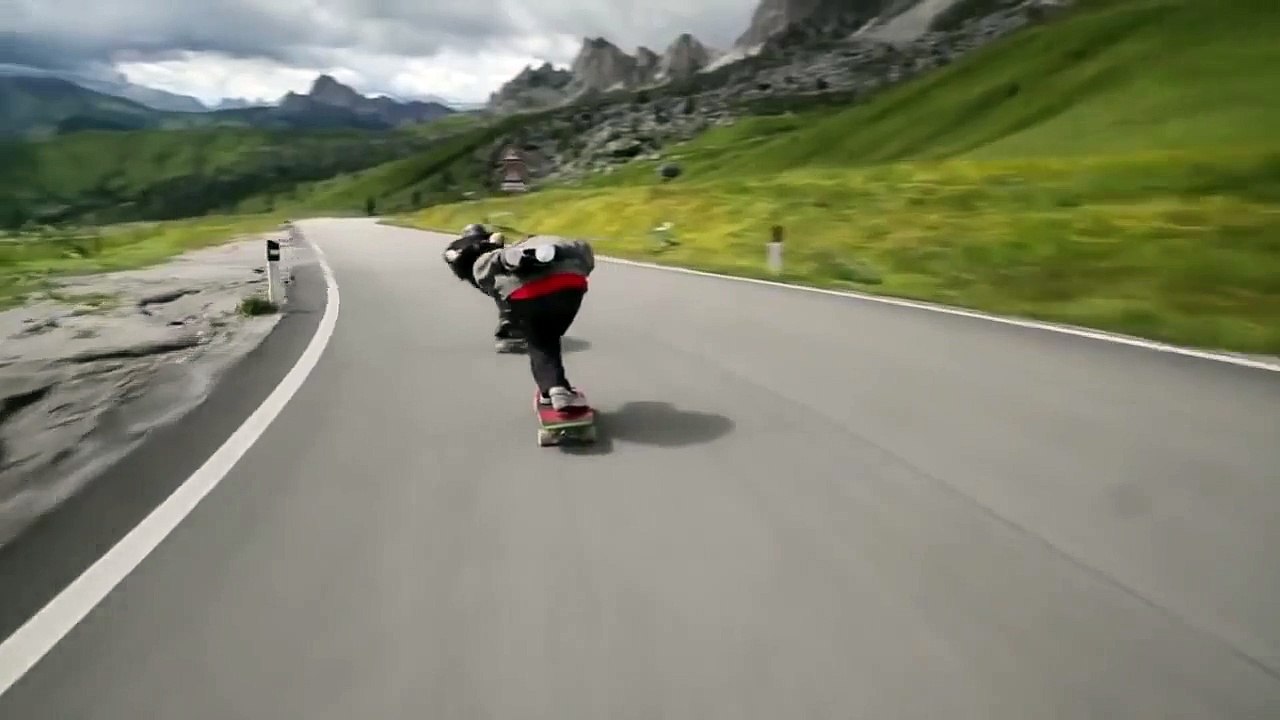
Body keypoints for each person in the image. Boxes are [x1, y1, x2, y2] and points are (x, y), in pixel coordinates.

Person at [442, 229, 595, 411]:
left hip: (526, 293)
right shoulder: (563, 240)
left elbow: (482, 274)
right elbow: (586, 255)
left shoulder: (493, 253)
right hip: (570, 285)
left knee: (541, 343)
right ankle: (557, 389)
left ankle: (554, 390)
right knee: (548, 338)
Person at [447, 224, 525, 350]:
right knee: (504, 289)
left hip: (487, 269)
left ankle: (513, 323)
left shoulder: (457, 245)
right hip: (479, 271)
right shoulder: (459, 246)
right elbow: (454, 260)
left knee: (508, 290)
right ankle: (508, 325)